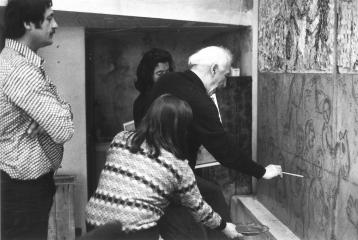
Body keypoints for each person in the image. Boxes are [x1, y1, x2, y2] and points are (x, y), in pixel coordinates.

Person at [137, 46, 283, 240]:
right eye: (224, 75)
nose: (223, 83)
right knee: (194, 232)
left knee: (212, 193)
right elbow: (225, 152)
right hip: (167, 178)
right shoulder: (200, 101)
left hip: (147, 168)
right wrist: (262, 172)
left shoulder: (167, 80)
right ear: (213, 69)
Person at [85, 94, 243, 240]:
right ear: (182, 129)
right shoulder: (178, 166)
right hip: (134, 232)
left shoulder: (120, 139)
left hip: (95, 224)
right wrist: (225, 226)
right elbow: (198, 208)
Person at [0, 0, 74, 239]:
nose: (55, 24)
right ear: (28, 23)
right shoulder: (20, 71)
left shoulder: (13, 61)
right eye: (49, 17)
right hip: (22, 190)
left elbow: (59, 120)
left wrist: (51, 117)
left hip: (19, 187)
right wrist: (56, 117)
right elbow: (63, 129)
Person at [133, 48, 174, 127]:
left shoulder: (170, 93)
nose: (166, 77)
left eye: (167, 72)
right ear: (148, 75)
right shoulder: (143, 103)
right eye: (160, 73)